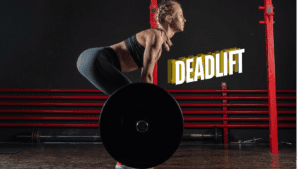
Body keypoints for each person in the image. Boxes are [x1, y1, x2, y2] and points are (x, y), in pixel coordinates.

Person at [77, 0, 186, 97]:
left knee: (129, 100)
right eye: (181, 15)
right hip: (95, 59)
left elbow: (145, 79)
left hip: (87, 60)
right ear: (169, 19)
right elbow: (146, 76)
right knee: (132, 96)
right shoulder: (156, 36)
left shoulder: (158, 39)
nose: (184, 19)